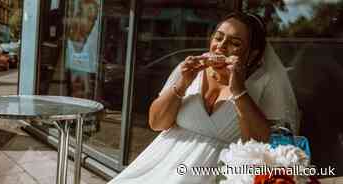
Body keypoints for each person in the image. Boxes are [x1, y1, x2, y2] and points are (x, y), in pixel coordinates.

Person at [108, 11, 299, 183]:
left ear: (252, 55)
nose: (221, 47)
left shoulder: (262, 83)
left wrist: (239, 90)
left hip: (217, 175)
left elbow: (262, 146)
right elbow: (156, 123)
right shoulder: (189, 70)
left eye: (235, 43)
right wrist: (182, 83)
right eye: (218, 38)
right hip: (158, 166)